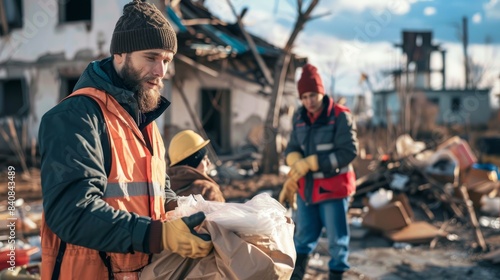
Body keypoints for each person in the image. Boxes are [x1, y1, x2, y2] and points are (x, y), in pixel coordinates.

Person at [38, 1, 212, 279]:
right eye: (151, 57)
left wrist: (191, 212)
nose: (161, 71)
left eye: (166, 60)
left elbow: (157, 190)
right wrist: (158, 235)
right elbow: (72, 212)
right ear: (119, 54)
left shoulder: (146, 124)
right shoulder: (76, 117)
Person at [279, 64, 358, 280]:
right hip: (307, 190)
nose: (309, 101)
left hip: (334, 190)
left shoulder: (341, 116)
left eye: (313, 95)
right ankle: (296, 277)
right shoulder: (299, 118)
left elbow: (349, 152)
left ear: (321, 92)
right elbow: (292, 147)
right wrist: (294, 159)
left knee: (336, 241)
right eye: (304, 97)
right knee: (303, 238)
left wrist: (315, 162)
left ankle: (336, 276)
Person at [166, 130, 225, 204]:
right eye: (204, 159)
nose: (208, 163)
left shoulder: (165, 189)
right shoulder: (206, 189)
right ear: (191, 163)